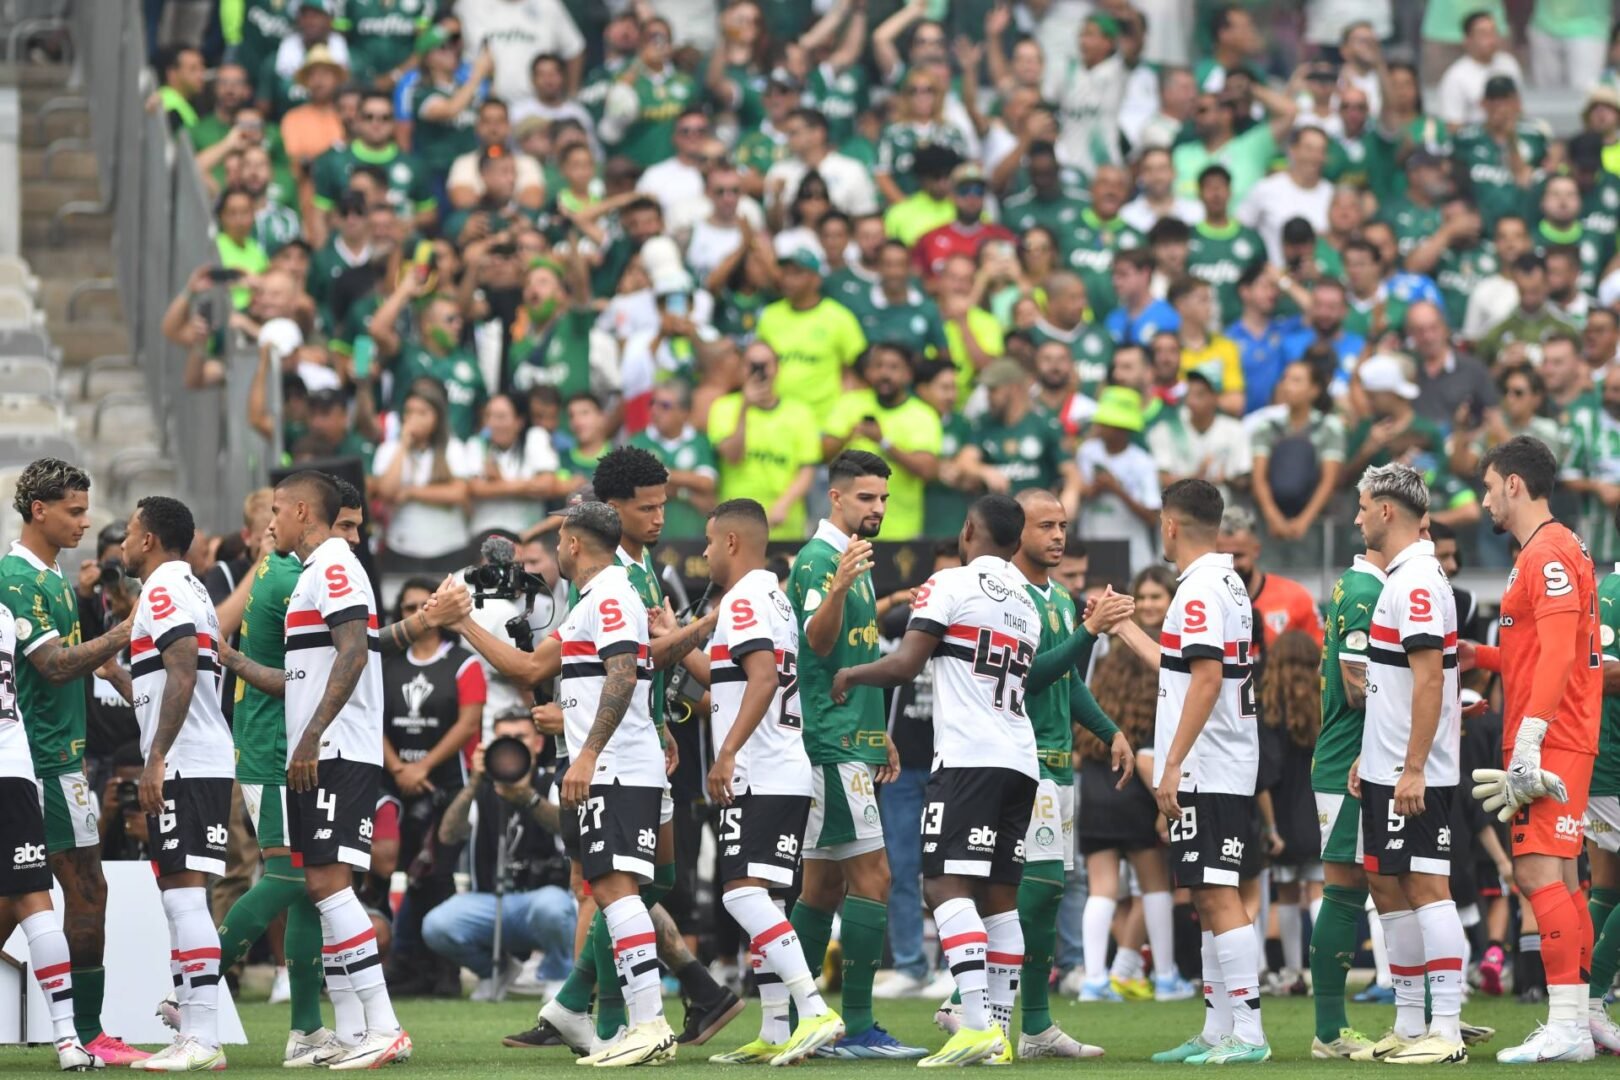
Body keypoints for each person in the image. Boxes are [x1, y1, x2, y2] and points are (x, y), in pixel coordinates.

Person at [429, 501, 677, 1065]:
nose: (556, 550)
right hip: (615, 764)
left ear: (572, 543)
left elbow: (622, 674)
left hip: (615, 765)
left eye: (560, 540)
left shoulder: (611, 594)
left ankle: (648, 1022)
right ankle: (641, 1023)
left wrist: (586, 754)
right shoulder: (594, 598)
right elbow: (528, 670)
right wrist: (461, 621)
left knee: (615, 890)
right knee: (611, 891)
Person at [830, 495, 1044, 1066]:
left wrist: (850, 673)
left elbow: (904, 664)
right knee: (1000, 901)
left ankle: (974, 1024)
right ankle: (996, 1033)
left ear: (969, 529)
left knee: (943, 886)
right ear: (1017, 542)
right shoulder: (1028, 604)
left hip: (969, 758)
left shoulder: (948, 584)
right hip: (1019, 760)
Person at [220, 471, 411, 1069]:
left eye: (278, 509)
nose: (270, 521)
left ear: (303, 510)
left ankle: (382, 1026)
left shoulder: (333, 566)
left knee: (324, 884)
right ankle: (355, 1029)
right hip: (322, 751)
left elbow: (355, 650)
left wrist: (309, 736)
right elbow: (313, 669)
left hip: (333, 751)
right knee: (323, 888)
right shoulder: (315, 571)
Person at [935, 488, 1129, 1056]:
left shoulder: (1062, 599)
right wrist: (1090, 634)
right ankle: (978, 1008)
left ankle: (1033, 1024)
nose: (1059, 536)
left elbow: (1066, 682)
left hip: (1055, 761)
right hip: (1023, 758)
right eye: (1046, 525)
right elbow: (1030, 676)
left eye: (1063, 525)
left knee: (1044, 895)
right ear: (1017, 533)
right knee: (1029, 889)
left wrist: (1109, 729)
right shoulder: (1006, 596)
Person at [1105, 478, 1269, 1065]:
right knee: (1205, 894)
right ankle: (1217, 1026)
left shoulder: (1200, 590)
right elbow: (1180, 667)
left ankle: (1248, 1033)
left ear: (1170, 524)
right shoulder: (1220, 583)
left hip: (1209, 765)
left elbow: (1205, 680)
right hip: (1219, 762)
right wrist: (1123, 628)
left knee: (1218, 894)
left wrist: (1170, 765)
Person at [781, 452, 923, 1059]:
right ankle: (857, 1025)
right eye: (867, 498)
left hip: (849, 739)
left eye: (884, 499)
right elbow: (816, 640)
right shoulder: (821, 560)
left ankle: (798, 1022)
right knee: (875, 878)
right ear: (835, 498)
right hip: (831, 746)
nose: (879, 509)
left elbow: (846, 658)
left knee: (821, 889)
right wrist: (837, 586)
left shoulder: (854, 559)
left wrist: (878, 731)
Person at [0, 460, 143, 1064]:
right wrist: (126, 631)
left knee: (38, 895)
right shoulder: (17, 577)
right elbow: (54, 665)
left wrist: (112, 662)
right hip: (37, 761)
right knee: (74, 889)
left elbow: (76, 663)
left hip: (63, 759)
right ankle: (86, 1032)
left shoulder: (53, 577)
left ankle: (87, 1030)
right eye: (75, 511)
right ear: (39, 510)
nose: (86, 522)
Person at [699, 498, 847, 1065]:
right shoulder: (774, 600)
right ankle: (777, 1026)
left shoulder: (741, 600)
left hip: (759, 770)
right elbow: (737, 681)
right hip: (785, 767)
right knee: (769, 901)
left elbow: (761, 679)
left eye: (711, 543)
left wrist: (727, 753)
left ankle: (813, 1010)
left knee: (740, 894)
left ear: (732, 543)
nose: (707, 553)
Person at [1472, 436, 1602, 1063]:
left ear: (1515, 485)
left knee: (1535, 874)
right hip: (1567, 732)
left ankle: (1567, 1026)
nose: (1485, 500)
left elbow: (1558, 655)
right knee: (1567, 879)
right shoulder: (1555, 547)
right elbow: (1541, 653)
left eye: (1490, 486)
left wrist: (1529, 735)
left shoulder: (1546, 551)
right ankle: (1584, 1015)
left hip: (1553, 737)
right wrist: (1480, 657)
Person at [1341, 464, 1471, 1065]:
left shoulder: (1417, 580)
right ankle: (1410, 1020)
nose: (1358, 516)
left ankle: (1446, 1027)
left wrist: (1413, 766)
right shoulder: (1403, 577)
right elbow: (1394, 687)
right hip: (1387, 764)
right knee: (1386, 884)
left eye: (1364, 506)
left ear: (1387, 511)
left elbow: (1427, 681)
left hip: (1412, 772)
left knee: (1424, 885)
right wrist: (1373, 754)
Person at [118, 498, 235, 1071]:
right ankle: (194, 1028)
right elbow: (163, 678)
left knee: (185, 898)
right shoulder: (192, 589)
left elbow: (183, 663)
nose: (121, 538)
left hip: (185, 762)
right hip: (202, 759)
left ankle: (203, 1038)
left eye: (129, 529)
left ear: (147, 540)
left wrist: (156, 756)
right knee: (184, 898)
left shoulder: (162, 590)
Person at [1075, 567, 1193, 1004]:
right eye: (1141, 597)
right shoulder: (1160, 667)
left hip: (1097, 779)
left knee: (1101, 886)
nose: (1148, 605)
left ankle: (1094, 979)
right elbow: (1149, 747)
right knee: (1155, 883)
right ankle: (1164, 976)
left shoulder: (1104, 666)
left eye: (1154, 597)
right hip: (1139, 785)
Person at [0, 593, 101, 1070]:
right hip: (16, 769)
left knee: (32, 898)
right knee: (33, 898)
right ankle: (67, 1041)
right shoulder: (3, 613)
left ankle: (67, 1039)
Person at [376, 580, 484, 993]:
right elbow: (372, 717)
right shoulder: (385, 663)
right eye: (409, 605)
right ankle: (400, 966)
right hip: (393, 784)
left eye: (426, 604)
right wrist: (397, 767)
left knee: (437, 875)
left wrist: (422, 766)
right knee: (386, 871)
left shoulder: (463, 662)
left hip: (446, 784)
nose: (417, 611)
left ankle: (444, 974)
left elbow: (469, 722)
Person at [424, 709, 576, 1001]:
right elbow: (447, 835)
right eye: (503, 739)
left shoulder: (551, 782)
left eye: (520, 738)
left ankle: (559, 975)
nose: (511, 746)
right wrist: (472, 783)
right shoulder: (481, 789)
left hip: (542, 898)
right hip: (490, 901)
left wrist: (528, 799)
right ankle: (496, 971)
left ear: (538, 744)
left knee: (553, 908)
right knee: (437, 924)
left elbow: (567, 829)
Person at [1309, 535, 1386, 1058]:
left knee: (1393, 885)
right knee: (1347, 887)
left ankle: (1429, 1015)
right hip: (1348, 762)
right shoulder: (1364, 589)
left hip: (1360, 757)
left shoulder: (1361, 584)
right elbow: (1357, 686)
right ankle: (1330, 1031)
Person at [707, 342, 820, 540]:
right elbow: (733, 456)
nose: (759, 372)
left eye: (764, 365)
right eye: (753, 365)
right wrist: (744, 407)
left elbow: (807, 469)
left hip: (784, 524)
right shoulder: (723, 408)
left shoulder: (801, 413)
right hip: (735, 521)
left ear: (777, 368)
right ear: (742, 368)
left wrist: (783, 505)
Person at [1586, 506, 1620, 1051]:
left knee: (1608, 884)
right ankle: (1588, 1002)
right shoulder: (1612, 589)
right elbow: (1603, 672)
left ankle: (1581, 1005)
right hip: (1610, 759)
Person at [1219, 506, 1324, 651]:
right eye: (1222, 556)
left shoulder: (1296, 598)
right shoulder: (1205, 603)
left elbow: (1320, 657)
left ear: (1256, 550)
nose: (1231, 565)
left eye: (1238, 556)